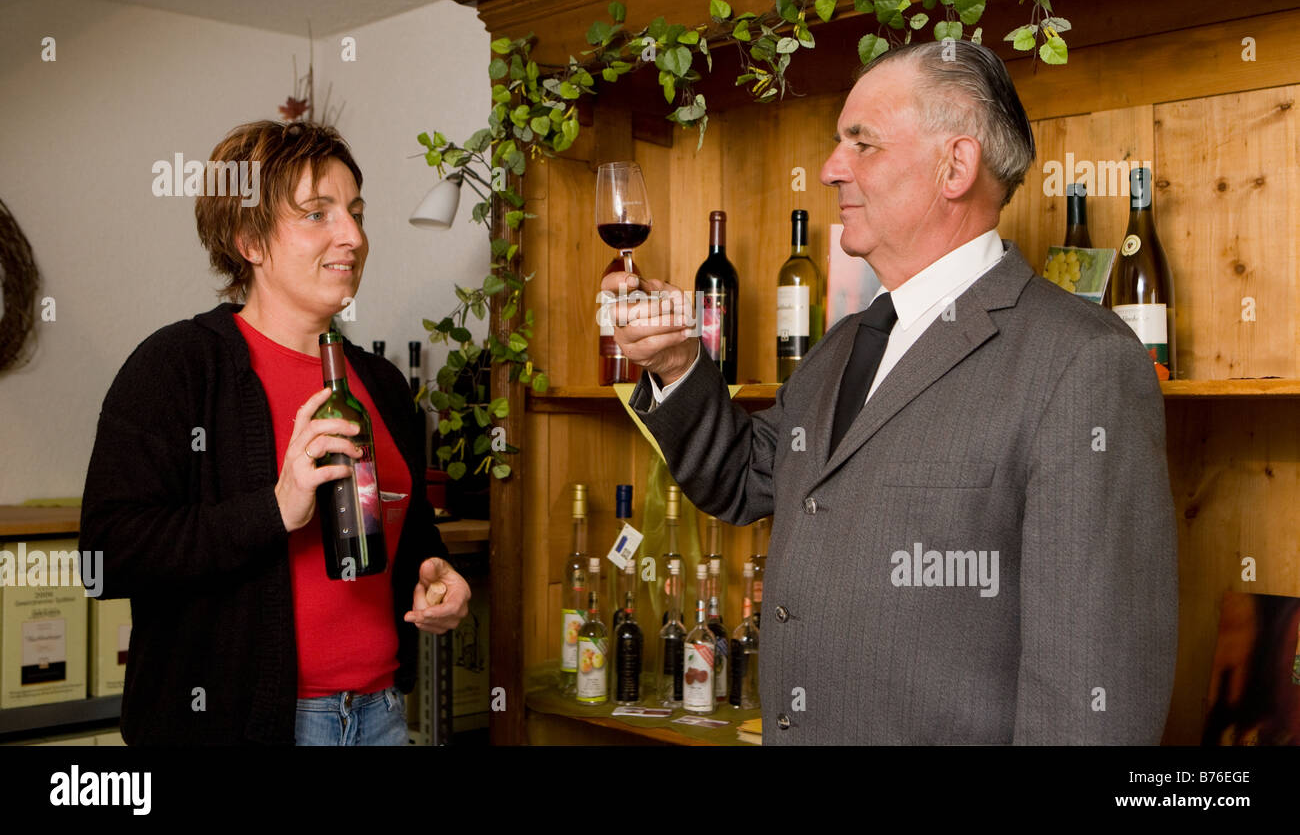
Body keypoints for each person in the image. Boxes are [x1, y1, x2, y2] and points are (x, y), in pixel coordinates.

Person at [603, 40, 1178, 744]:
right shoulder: (846, 343)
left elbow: (1096, 696)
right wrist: (677, 359)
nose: (829, 168)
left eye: (861, 144)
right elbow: (744, 479)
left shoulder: (1084, 363)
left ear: (955, 166)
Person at [81, 120, 469, 745]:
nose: (353, 236)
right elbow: (107, 558)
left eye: (355, 212)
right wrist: (276, 508)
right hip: (245, 727)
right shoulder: (177, 367)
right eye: (318, 214)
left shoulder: (383, 384)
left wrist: (438, 575)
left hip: (381, 716)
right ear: (249, 241)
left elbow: (412, 528)